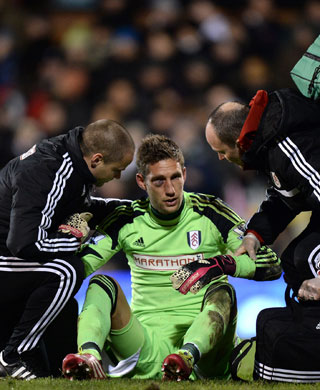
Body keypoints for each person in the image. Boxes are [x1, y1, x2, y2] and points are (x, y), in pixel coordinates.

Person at [61, 134, 281, 382]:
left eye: (175, 177)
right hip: (146, 346)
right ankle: (89, 358)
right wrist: (69, 235)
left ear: (184, 174)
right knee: (101, 284)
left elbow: (271, 264)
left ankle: (186, 356)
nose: (170, 189)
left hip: (205, 355)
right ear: (142, 182)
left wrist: (222, 263)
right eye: (159, 181)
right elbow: (74, 269)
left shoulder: (210, 212)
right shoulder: (127, 219)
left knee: (223, 290)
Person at [0, 119, 135, 379]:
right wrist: (75, 242)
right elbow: (23, 243)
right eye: (117, 169)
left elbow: (75, 208)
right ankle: (12, 355)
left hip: (10, 258)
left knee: (65, 302)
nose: (118, 176)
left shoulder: (72, 163)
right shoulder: (48, 170)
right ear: (96, 159)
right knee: (67, 271)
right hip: (8, 253)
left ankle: (46, 364)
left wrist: (126, 209)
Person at [205, 87, 320, 301]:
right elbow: (287, 197)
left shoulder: (288, 143)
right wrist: (254, 235)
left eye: (221, 151)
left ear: (239, 143)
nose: (221, 158)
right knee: (294, 263)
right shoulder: (269, 143)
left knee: (308, 261)